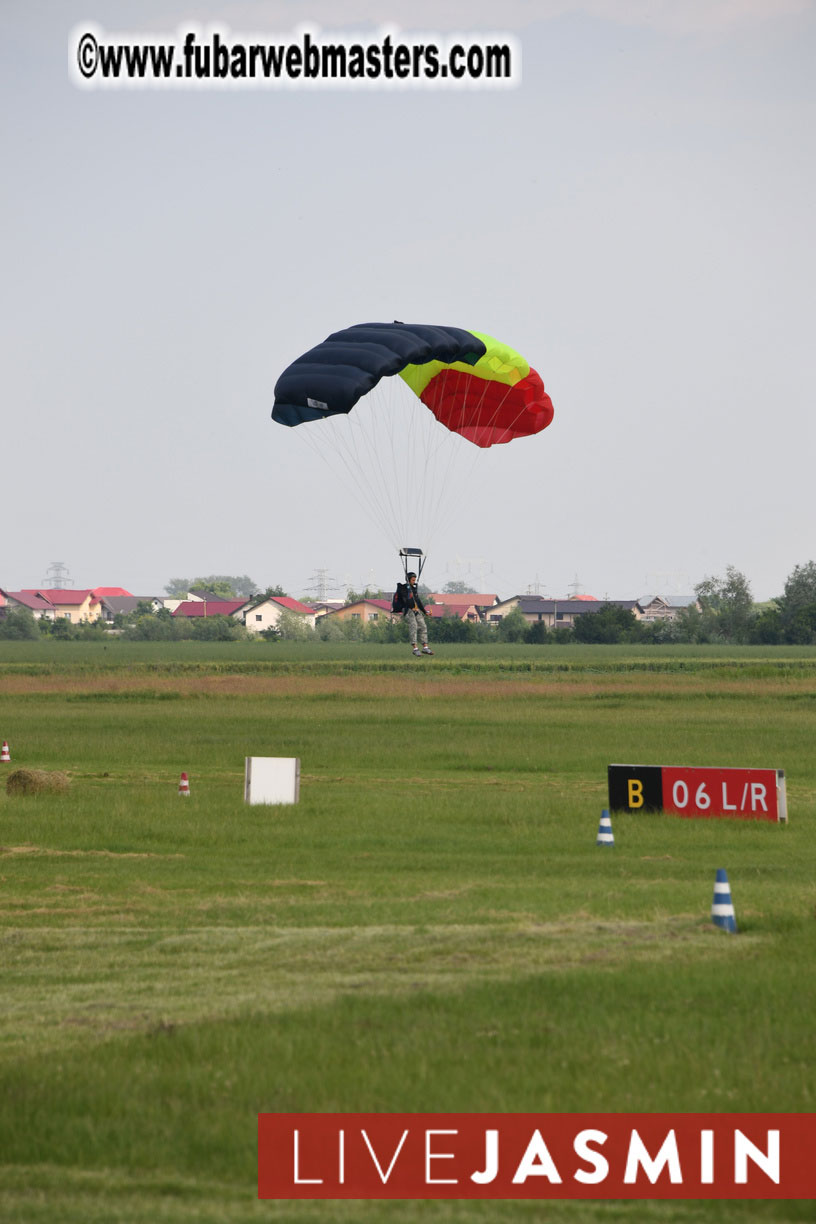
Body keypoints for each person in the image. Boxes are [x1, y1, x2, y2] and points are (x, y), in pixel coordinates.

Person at [393, 571, 434, 656]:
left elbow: (418, 601)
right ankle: (415, 648)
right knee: (414, 626)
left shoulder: (413, 589)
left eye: (414, 580)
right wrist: (408, 590)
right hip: (408, 610)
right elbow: (406, 600)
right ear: (408, 580)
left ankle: (425, 647)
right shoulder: (403, 588)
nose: (414, 582)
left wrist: (425, 612)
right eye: (412, 580)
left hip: (415, 610)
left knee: (423, 625)